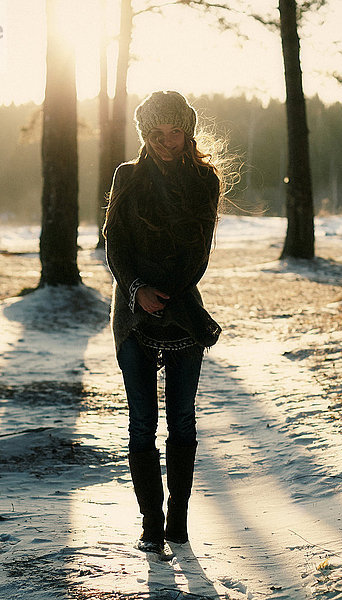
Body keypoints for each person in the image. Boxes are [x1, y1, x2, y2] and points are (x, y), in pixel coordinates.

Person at [103, 91, 222, 555]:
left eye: (175, 131)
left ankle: (179, 521)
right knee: (141, 422)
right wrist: (137, 291)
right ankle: (151, 525)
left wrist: (165, 295)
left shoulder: (203, 181)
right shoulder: (127, 177)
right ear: (144, 134)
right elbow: (114, 244)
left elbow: (198, 254)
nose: (166, 141)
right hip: (132, 315)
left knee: (182, 421)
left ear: (187, 131)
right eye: (157, 132)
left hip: (182, 311)